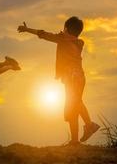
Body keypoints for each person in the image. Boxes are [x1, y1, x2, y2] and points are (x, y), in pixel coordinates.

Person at [17, 17, 100, 145]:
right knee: (74, 106)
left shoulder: (63, 39)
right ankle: (80, 134)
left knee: (73, 106)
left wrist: (27, 29)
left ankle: (86, 128)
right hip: (80, 77)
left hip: (71, 77)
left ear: (66, 29)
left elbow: (43, 34)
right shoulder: (79, 43)